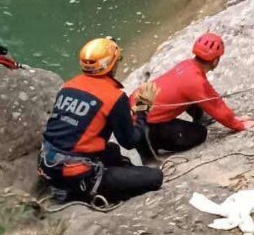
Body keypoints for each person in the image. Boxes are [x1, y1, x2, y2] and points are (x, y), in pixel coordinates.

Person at [38, 37, 163, 204]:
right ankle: (85, 193)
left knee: (111, 149)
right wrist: (143, 109)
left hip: (49, 164)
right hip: (77, 175)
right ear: (112, 64)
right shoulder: (114, 97)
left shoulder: (69, 86)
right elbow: (129, 141)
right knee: (155, 177)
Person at [133, 32, 254, 156]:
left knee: (191, 97)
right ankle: (153, 143)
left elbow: (211, 97)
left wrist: (232, 117)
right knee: (200, 133)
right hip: (143, 125)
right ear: (215, 61)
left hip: (136, 108)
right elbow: (215, 105)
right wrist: (238, 125)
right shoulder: (195, 81)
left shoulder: (187, 65)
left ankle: (194, 120)